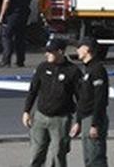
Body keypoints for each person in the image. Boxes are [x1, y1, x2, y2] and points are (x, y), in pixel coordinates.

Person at [23, 38, 80, 167]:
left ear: (60, 52)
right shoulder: (42, 67)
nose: (46, 54)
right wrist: (27, 111)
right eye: (46, 51)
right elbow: (33, 90)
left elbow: (80, 97)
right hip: (40, 117)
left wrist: (78, 121)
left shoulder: (73, 71)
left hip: (61, 119)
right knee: (36, 153)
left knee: (58, 155)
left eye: (50, 52)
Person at [73, 37, 109, 167]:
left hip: (93, 118)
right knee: (88, 159)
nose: (77, 50)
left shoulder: (97, 69)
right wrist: (78, 121)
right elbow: (83, 98)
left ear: (87, 49)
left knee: (96, 158)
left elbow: (100, 99)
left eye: (79, 47)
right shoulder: (86, 69)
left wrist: (95, 123)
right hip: (85, 118)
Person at [0, 0, 31, 67]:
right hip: (23, 15)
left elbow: (6, 1)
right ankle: (20, 61)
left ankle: (6, 60)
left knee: (7, 37)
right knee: (20, 38)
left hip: (12, 15)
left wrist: (1, 15)